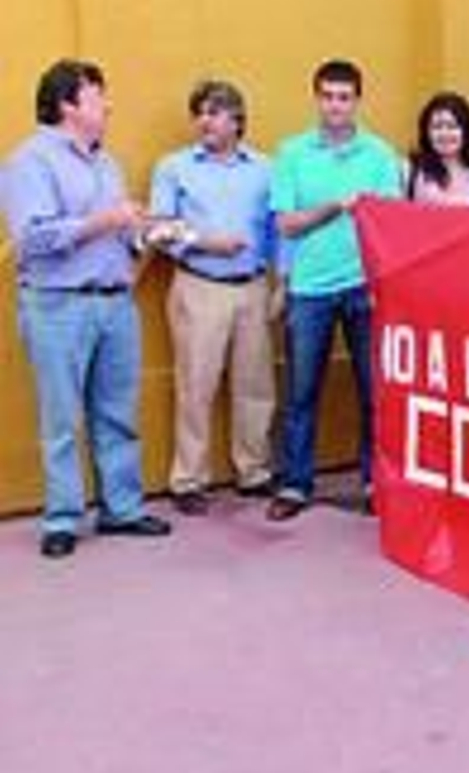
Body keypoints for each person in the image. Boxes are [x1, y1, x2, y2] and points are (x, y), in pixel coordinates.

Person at [2, 59, 173, 557]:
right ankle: (61, 519)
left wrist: (143, 234)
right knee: (61, 419)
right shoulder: (28, 162)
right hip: (58, 306)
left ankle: (122, 509)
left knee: (117, 413)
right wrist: (105, 219)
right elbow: (32, 239)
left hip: (114, 302)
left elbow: (112, 232)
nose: (109, 105)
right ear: (67, 106)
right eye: (99, 97)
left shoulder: (107, 163)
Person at [267, 58, 403, 521]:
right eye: (327, 96)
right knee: (302, 392)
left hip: (365, 286)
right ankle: (295, 484)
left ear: (357, 101)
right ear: (316, 98)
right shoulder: (291, 153)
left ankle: (373, 481)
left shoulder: (380, 155)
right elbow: (286, 224)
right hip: (309, 289)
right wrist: (334, 208)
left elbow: (390, 222)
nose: (335, 106)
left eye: (344, 97)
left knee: (372, 391)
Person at [148, 79, 277, 514]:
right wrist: (205, 242)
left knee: (255, 385)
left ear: (237, 120)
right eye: (199, 112)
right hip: (199, 284)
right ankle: (188, 479)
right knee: (195, 385)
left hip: (254, 287)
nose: (204, 120)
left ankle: (254, 471)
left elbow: (277, 229)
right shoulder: (174, 167)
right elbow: (159, 228)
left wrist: (281, 282)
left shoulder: (266, 168)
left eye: (214, 112)